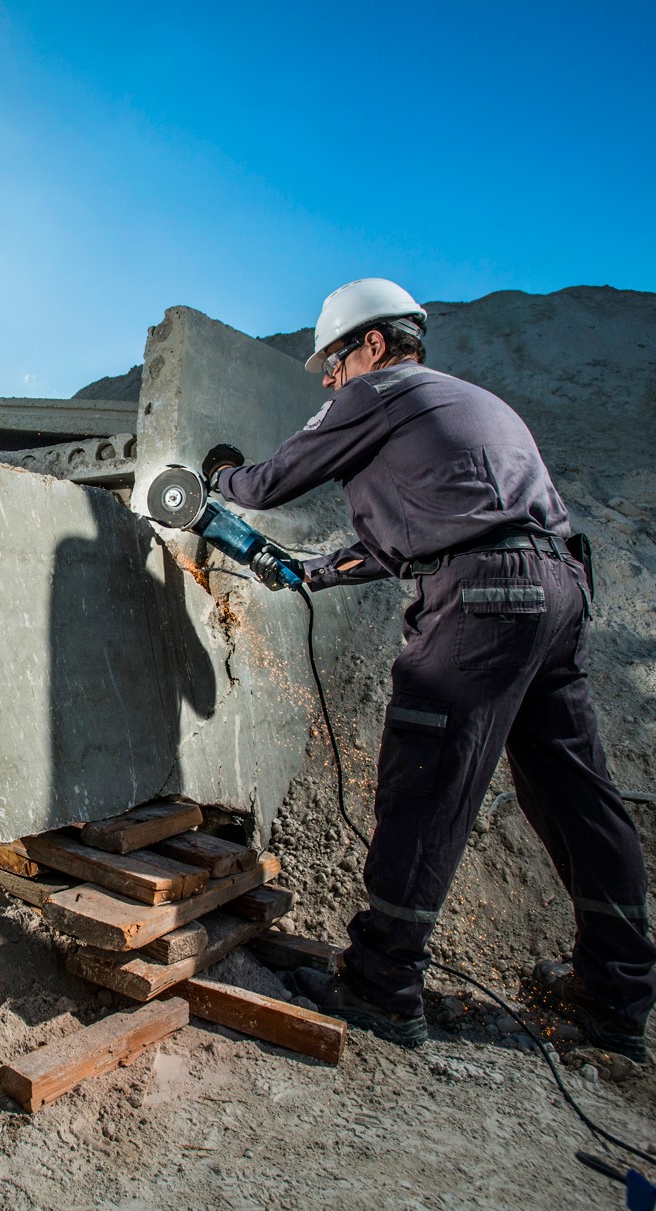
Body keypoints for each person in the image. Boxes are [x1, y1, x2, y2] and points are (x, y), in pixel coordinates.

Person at [204, 278, 656, 1059]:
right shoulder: (467, 407)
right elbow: (409, 537)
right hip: (557, 592)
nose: (327, 377)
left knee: (426, 771)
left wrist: (217, 480)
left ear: (372, 345)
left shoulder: (379, 391)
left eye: (333, 361)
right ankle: (615, 993)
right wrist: (313, 571)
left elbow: (277, 479)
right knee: (574, 789)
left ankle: (382, 981)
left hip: (485, 599)